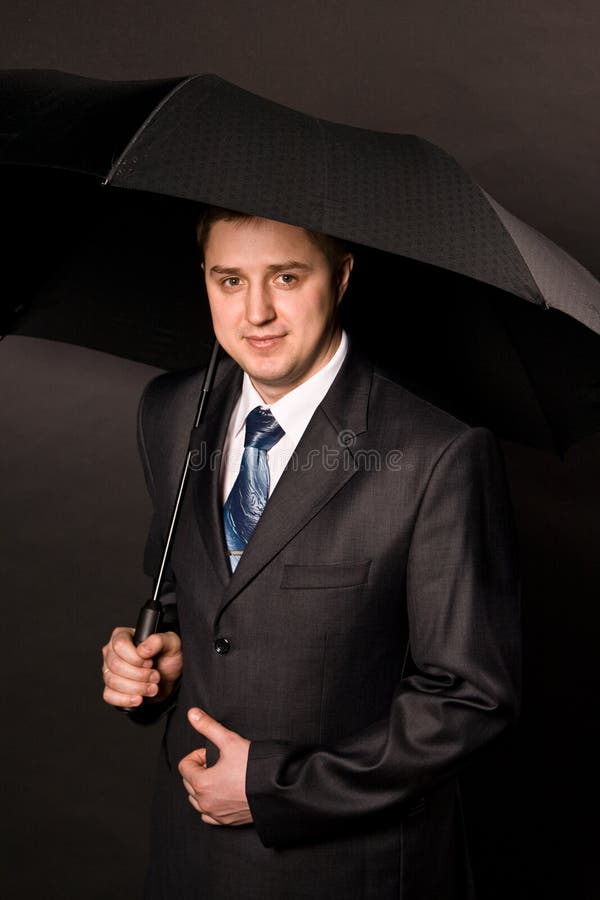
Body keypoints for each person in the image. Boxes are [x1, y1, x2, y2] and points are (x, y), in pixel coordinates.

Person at [102, 207, 521, 900]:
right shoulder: (170, 413)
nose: (256, 312)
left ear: (342, 275)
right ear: (204, 279)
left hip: (345, 872)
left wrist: (275, 789)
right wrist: (155, 663)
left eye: (286, 277)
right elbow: (191, 598)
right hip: (188, 864)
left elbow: (472, 698)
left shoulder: (436, 453)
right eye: (230, 280)